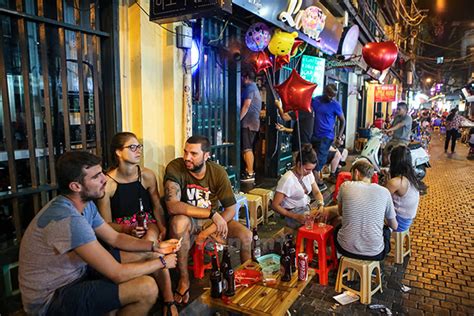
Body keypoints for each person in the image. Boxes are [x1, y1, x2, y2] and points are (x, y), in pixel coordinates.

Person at [19, 151, 180, 316]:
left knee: (149, 254)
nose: (104, 179)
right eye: (96, 177)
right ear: (76, 186)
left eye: (101, 172)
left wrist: (155, 247)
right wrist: (162, 262)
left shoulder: (84, 204)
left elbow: (115, 237)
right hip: (51, 298)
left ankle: (169, 302)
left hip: (77, 272)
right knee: (147, 288)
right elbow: (116, 273)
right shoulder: (69, 219)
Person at [164, 135, 252, 305]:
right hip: (189, 220)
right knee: (179, 222)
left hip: (210, 223)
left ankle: (245, 280)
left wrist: (206, 233)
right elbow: (172, 206)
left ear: (206, 156)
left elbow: (230, 209)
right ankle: (184, 280)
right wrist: (211, 213)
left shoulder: (217, 172)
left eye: (194, 154)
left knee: (246, 236)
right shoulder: (175, 167)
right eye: (185, 152)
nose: (187, 158)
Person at [97, 132, 177, 316]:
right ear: (118, 152)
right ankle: (163, 298)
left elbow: (156, 205)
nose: (138, 151)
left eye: (139, 146)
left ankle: (168, 300)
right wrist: (128, 229)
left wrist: (163, 226)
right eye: (132, 147)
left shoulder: (147, 175)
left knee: (150, 239)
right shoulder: (108, 184)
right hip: (122, 231)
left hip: (147, 222)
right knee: (151, 252)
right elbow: (106, 224)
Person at [334, 160, 398, 261]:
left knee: (337, 228)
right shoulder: (384, 192)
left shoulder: (345, 186)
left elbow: (341, 213)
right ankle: (371, 271)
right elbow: (394, 226)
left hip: (344, 249)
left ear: (356, 173)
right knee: (386, 230)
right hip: (375, 254)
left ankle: (339, 259)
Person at [272, 144, 324, 229]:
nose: (309, 172)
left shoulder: (309, 174)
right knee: (313, 226)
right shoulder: (288, 179)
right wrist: (295, 216)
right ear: (299, 164)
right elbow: (275, 205)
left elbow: (317, 192)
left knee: (326, 214)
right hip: (291, 213)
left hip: (305, 209)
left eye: (311, 169)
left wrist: (321, 205)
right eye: (307, 169)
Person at [311, 84, 346, 192]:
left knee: (319, 161)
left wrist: (339, 136)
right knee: (311, 158)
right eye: (329, 95)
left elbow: (343, 121)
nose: (331, 98)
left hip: (327, 136)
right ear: (324, 91)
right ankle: (314, 183)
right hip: (314, 135)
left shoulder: (335, 105)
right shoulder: (315, 101)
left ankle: (319, 185)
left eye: (333, 96)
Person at [385, 146, 422, 232]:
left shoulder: (396, 182)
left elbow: (381, 198)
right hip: (407, 220)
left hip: (399, 222)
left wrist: (386, 182)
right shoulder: (411, 176)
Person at [240, 70, 262, 182]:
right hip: (253, 123)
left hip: (248, 122)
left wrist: (238, 119)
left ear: (247, 77)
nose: (241, 80)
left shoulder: (250, 88)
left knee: (247, 148)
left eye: (243, 77)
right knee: (246, 148)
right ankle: (248, 171)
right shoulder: (255, 88)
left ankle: (250, 173)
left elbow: (246, 105)